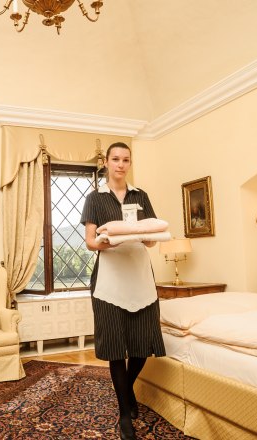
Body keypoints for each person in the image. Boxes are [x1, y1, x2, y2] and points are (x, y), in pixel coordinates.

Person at [80, 142, 166, 440]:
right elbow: (90, 240)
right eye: (115, 159)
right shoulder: (95, 198)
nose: (120, 164)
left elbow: (153, 236)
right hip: (109, 280)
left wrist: (146, 237)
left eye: (125, 159)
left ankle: (127, 390)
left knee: (143, 344)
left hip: (140, 276)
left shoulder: (140, 195)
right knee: (117, 348)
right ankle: (123, 414)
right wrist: (105, 242)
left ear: (130, 163)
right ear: (106, 161)